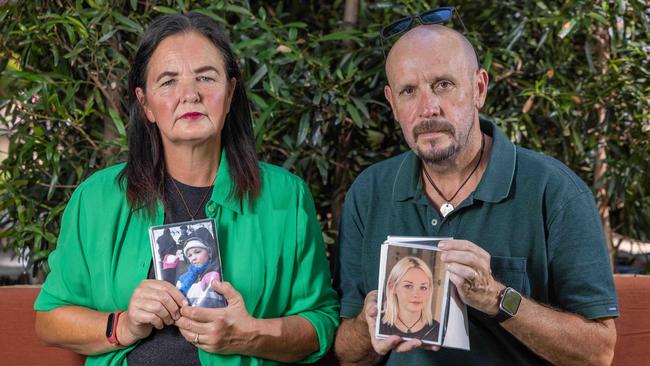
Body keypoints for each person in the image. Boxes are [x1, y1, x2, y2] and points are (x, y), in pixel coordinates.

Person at [34, 12, 338, 366]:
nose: (189, 95)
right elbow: (50, 319)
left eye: (206, 78)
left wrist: (249, 335)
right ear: (145, 103)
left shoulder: (286, 197)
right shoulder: (96, 200)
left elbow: (321, 322)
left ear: (230, 93)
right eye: (168, 81)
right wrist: (125, 325)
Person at [334, 15, 618, 366]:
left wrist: (498, 297)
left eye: (443, 85)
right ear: (392, 103)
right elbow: (348, 355)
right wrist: (367, 325)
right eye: (409, 91)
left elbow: (598, 351)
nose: (428, 108)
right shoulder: (370, 191)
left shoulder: (554, 190)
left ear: (479, 89)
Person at [378, 256, 439, 343]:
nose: (416, 294)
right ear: (392, 287)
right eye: (408, 286)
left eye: (423, 287)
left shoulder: (436, 330)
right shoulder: (378, 324)